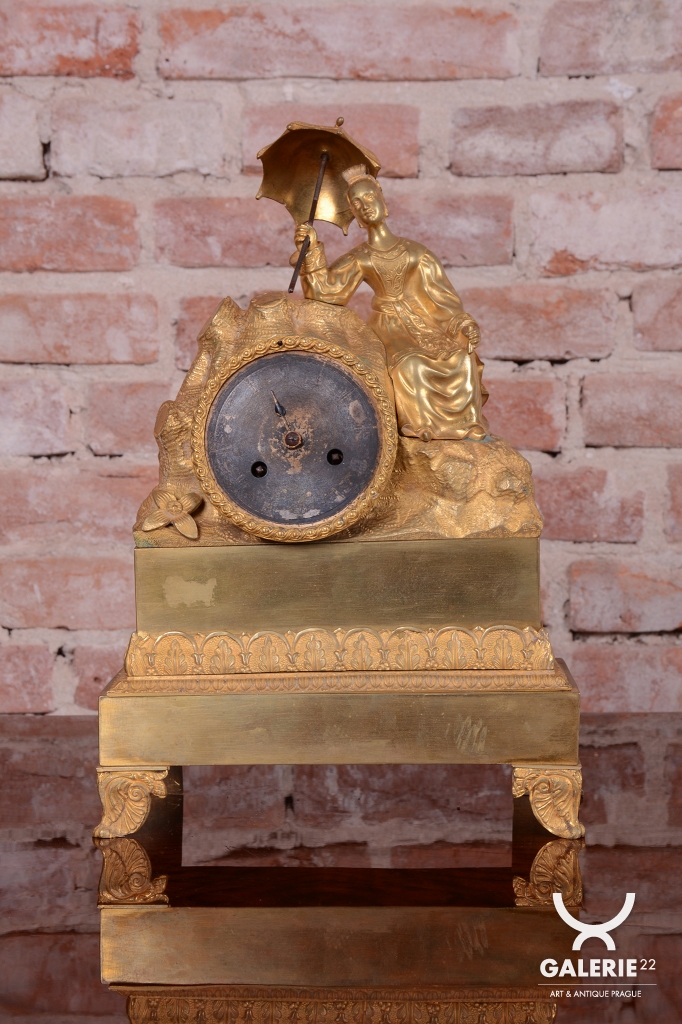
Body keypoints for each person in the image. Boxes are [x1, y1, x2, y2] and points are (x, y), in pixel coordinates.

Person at [292, 164, 489, 442]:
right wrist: (311, 249)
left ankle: (468, 425)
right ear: (355, 215)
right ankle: (420, 427)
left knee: (462, 358)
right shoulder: (361, 256)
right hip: (388, 328)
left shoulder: (415, 253)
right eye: (357, 204)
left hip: (423, 323)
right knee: (410, 365)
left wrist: (462, 324)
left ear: (382, 201)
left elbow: (442, 298)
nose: (365, 206)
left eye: (369, 197)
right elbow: (327, 292)